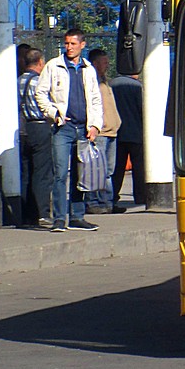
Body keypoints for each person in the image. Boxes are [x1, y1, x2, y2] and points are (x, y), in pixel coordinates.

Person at [35, 28, 103, 232]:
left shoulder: (88, 69)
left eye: (73, 44)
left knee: (81, 174)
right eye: (67, 43)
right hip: (63, 127)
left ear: (82, 45)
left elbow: (95, 99)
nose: (69, 47)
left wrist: (95, 125)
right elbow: (41, 93)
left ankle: (77, 216)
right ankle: (58, 219)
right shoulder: (54, 66)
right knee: (60, 173)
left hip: (83, 128)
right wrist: (53, 113)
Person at [17, 47, 54, 228]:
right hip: (40, 126)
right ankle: (42, 212)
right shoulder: (39, 82)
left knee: (25, 172)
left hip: (23, 129)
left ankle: (25, 213)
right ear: (40, 62)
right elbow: (45, 106)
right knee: (42, 172)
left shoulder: (18, 81)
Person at [85, 49, 122, 214]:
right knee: (97, 170)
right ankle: (94, 202)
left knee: (108, 170)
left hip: (111, 131)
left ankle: (107, 201)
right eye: (104, 62)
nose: (107, 65)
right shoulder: (91, 82)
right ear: (95, 63)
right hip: (100, 132)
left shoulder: (105, 81)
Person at [110, 71, 145, 208]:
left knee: (116, 168)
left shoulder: (110, 85)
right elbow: (143, 109)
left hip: (117, 133)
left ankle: (113, 195)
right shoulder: (138, 87)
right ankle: (141, 196)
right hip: (136, 132)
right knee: (139, 167)